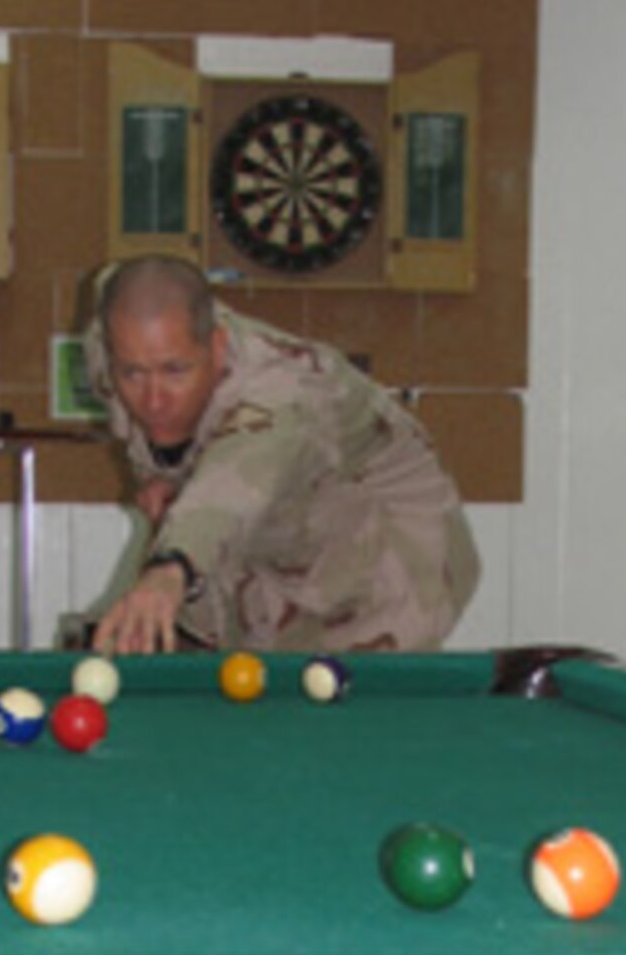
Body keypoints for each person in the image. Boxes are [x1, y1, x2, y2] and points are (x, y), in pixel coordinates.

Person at [85, 255, 479, 655]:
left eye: (174, 371)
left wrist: (169, 570)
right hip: (274, 540)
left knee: (334, 704)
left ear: (218, 347)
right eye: (132, 373)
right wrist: (165, 474)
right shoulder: (109, 344)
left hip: (386, 550)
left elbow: (228, 490)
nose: (154, 400)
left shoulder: (281, 393)